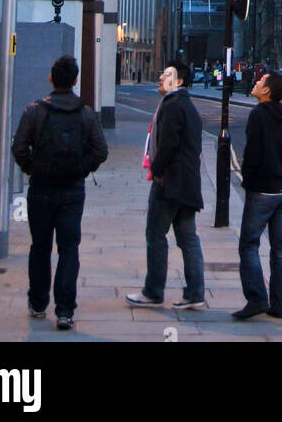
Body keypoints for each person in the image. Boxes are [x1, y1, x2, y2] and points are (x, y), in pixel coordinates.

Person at [12, 55, 108, 331]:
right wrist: (81, 169)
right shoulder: (86, 114)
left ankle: (38, 303)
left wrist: (33, 168)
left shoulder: (34, 111)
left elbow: (18, 147)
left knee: (39, 247)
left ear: (51, 77)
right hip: (72, 191)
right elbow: (101, 151)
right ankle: (65, 311)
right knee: (68, 250)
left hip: (41, 188)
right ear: (76, 80)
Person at [126, 59, 206, 311]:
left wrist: (156, 171)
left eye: (167, 75)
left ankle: (153, 291)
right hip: (187, 184)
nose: (161, 78)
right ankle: (195, 293)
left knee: (155, 235)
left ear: (179, 82)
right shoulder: (186, 105)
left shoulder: (172, 106)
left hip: (169, 184)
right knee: (187, 238)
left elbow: (169, 145)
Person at [233, 70, 282, 321]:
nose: (256, 82)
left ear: (267, 91)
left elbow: (252, 153)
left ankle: (256, 300)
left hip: (262, 191)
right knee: (281, 250)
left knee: (249, 244)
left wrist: (248, 180)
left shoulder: (258, 115)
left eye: (260, 81)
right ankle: (280, 305)